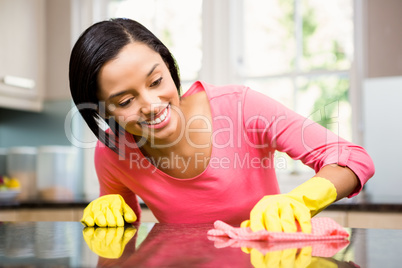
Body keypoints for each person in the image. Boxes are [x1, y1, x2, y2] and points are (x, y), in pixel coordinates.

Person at [69, 18, 375, 234]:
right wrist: (105, 209)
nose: (151, 105)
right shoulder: (112, 151)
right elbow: (123, 232)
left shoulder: (240, 107)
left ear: (168, 64)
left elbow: (353, 158)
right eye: (124, 102)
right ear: (103, 112)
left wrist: (300, 200)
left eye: (156, 81)